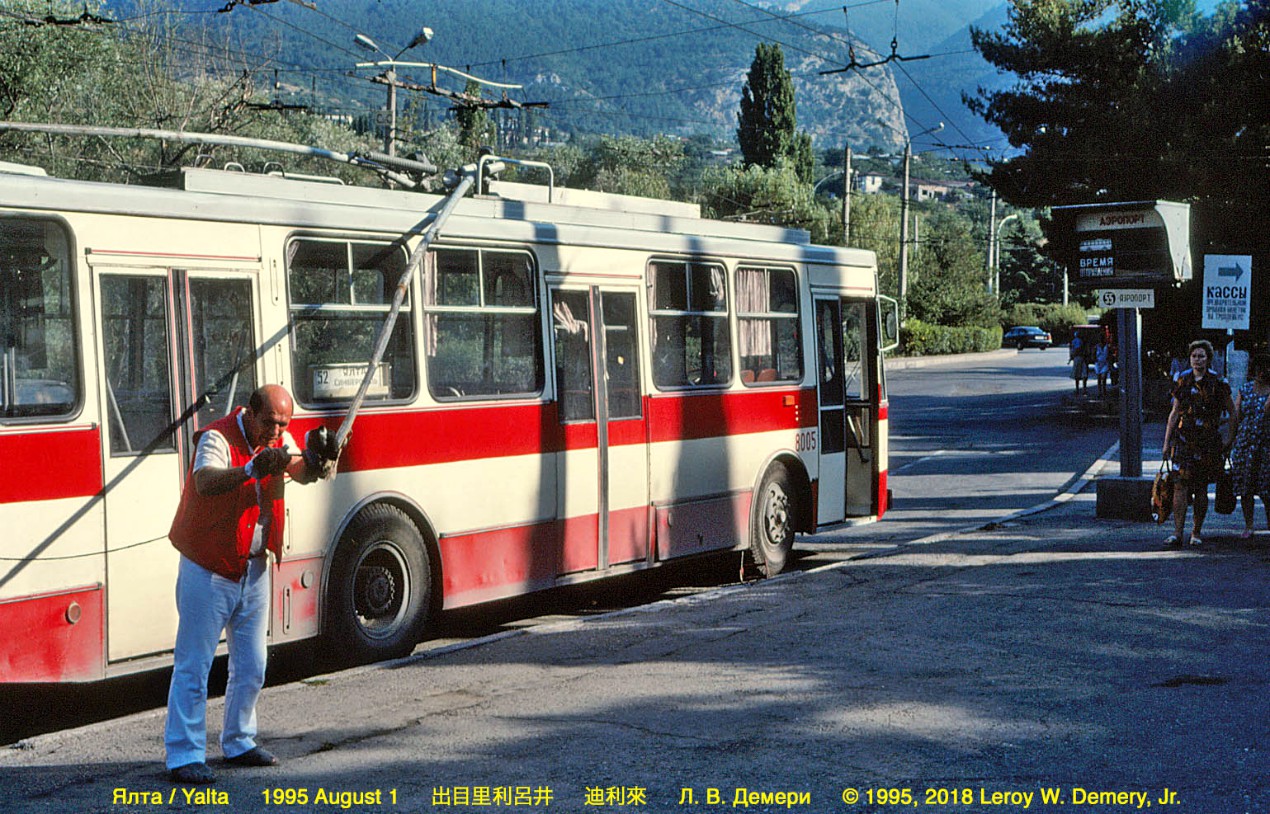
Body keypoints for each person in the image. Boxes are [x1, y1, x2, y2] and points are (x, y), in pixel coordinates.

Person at [164, 384, 338, 784]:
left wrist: (321, 458)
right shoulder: (217, 437)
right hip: (207, 567)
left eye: (284, 425)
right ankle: (183, 754)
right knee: (194, 664)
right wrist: (250, 469)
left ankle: (239, 740)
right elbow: (205, 481)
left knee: (253, 664)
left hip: (254, 566)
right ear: (250, 414)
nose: (276, 432)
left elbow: (305, 472)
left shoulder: (279, 437)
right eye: (270, 424)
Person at [1161, 340, 1235, 548]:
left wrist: (1229, 439)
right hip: (1183, 441)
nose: (1197, 360)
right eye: (1194, 356)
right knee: (1179, 487)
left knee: (1201, 488)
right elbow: (1174, 413)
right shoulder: (1182, 381)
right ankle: (1177, 533)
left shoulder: (1218, 383)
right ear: (1190, 358)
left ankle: (1196, 531)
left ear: (1208, 358)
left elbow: (1233, 413)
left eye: (1201, 356)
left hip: (1207, 443)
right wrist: (1166, 443)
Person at [1229, 352, 1270, 539]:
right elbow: (1236, 416)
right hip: (1246, 443)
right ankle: (1249, 524)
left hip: (1266, 444)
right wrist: (1230, 441)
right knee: (1245, 486)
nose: (1262, 373)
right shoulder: (1244, 390)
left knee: (1266, 486)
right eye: (1259, 370)